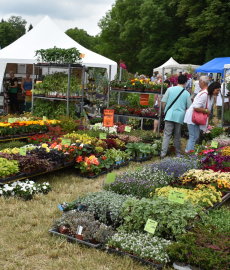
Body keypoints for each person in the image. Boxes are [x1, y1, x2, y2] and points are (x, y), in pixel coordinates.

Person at [184, 79, 221, 152]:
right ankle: (188, 153)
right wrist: (206, 111)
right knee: (193, 137)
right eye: (217, 90)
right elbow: (196, 107)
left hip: (197, 118)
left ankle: (190, 152)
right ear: (213, 89)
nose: (218, 92)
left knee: (195, 136)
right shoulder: (204, 94)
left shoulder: (211, 96)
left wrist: (207, 122)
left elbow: (208, 109)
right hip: (193, 117)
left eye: (219, 90)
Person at [160, 75, 192, 158]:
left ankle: (163, 153)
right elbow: (189, 107)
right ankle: (178, 153)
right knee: (177, 135)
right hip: (179, 116)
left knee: (167, 134)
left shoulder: (170, 89)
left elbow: (163, 102)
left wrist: (165, 110)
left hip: (169, 114)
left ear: (177, 81)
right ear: (185, 83)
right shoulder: (187, 93)